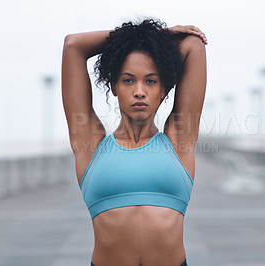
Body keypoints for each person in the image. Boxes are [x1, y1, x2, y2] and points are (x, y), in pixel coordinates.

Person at [61, 17, 207, 266]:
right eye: (128, 80)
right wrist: (142, 36)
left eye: (150, 81)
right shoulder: (90, 145)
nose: (139, 90)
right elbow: (74, 45)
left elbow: (194, 45)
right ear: (114, 86)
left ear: (163, 90)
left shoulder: (178, 141)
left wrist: (153, 39)